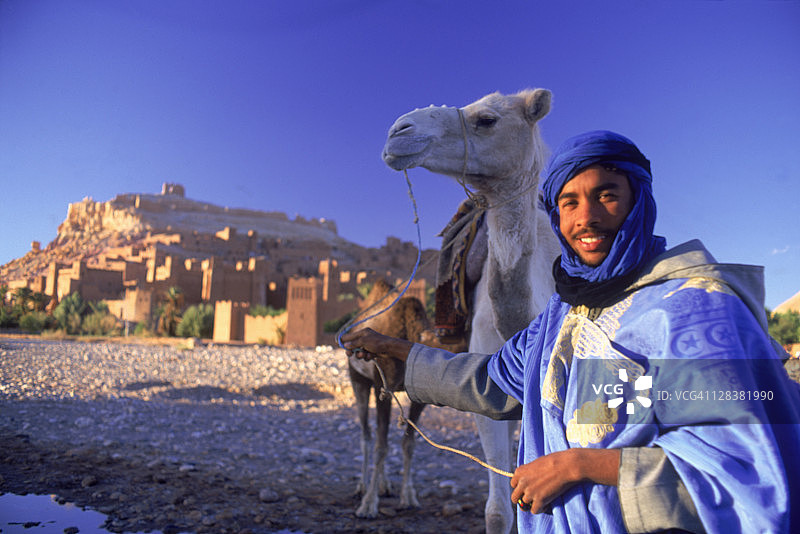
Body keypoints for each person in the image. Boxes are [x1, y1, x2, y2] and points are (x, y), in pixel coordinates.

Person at [343, 130, 800, 533]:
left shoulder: (694, 313)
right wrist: (399, 353)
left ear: (638, 201)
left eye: (606, 195)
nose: (587, 218)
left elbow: (745, 475)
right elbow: (492, 381)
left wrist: (578, 466)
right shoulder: (562, 316)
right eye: (569, 203)